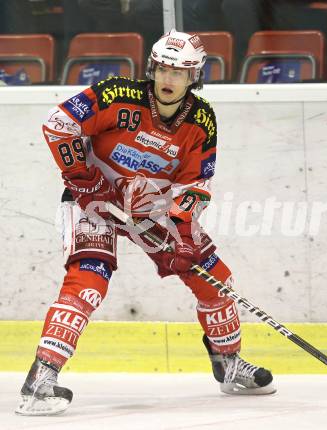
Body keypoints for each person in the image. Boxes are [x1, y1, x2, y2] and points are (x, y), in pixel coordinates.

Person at [15, 29, 276, 416]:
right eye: (164, 69)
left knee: (215, 278)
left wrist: (184, 233)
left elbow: (195, 183)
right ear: (152, 68)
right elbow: (59, 124)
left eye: (180, 72)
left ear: (194, 77)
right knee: (89, 280)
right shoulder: (115, 93)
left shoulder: (202, 120)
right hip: (92, 201)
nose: (169, 80)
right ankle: (42, 379)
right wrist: (86, 181)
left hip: (151, 208)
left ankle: (230, 365)